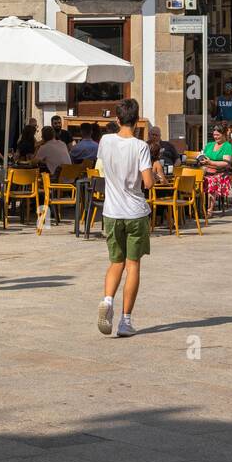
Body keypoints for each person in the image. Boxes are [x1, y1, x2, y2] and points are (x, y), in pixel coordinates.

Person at [96, 99, 153, 339]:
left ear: (117, 120)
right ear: (137, 120)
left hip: (111, 211)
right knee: (133, 265)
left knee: (115, 262)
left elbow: (101, 168)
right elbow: (148, 182)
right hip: (135, 212)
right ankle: (125, 321)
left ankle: (107, 300)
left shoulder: (106, 141)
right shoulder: (141, 146)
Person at [200, 124, 232, 217]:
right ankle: (198, 208)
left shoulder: (227, 146)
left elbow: (226, 163)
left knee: (211, 181)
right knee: (196, 181)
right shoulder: (209, 145)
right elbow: (204, 157)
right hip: (207, 170)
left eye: (218, 135)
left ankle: (209, 210)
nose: (215, 137)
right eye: (214, 135)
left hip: (221, 173)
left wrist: (211, 162)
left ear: (224, 134)